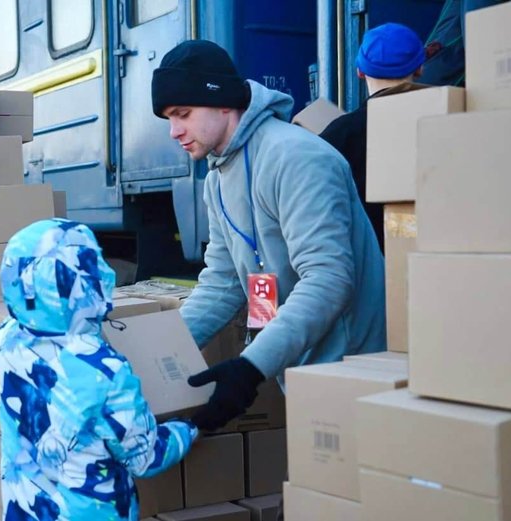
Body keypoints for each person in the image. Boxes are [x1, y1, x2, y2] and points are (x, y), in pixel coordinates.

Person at [151, 40, 386, 432]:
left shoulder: (297, 158)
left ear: (223, 101)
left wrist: (249, 366)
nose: (175, 131)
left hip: (354, 366)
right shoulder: (218, 179)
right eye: (169, 119)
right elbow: (223, 285)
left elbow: (329, 278)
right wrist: (156, 353)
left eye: (183, 114)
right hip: (304, 368)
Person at [0, 218, 198, 520]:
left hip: (26, 509)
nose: (107, 272)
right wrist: (192, 426)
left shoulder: (9, 337)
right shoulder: (103, 370)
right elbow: (144, 457)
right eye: (95, 262)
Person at [319, 22, 426, 251]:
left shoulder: (337, 135)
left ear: (359, 71)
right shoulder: (442, 124)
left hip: (365, 269)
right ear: (419, 69)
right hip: (431, 263)